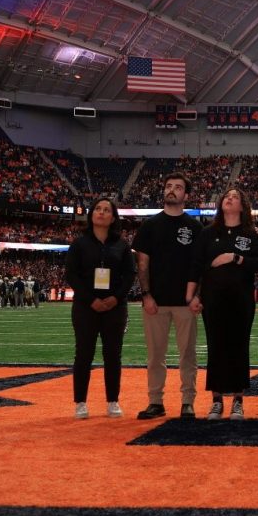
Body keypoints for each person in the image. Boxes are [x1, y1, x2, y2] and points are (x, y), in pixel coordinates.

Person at [192, 188, 258, 421]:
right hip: (213, 299)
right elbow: (197, 267)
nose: (230, 198)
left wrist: (235, 257)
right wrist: (195, 295)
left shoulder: (252, 234)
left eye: (235, 197)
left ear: (242, 206)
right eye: (226, 196)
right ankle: (216, 401)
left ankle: (237, 400)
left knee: (239, 347)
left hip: (241, 299)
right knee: (216, 347)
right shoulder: (207, 233)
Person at [132, 172, 203, 420]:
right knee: (155, 356)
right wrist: (146, 295)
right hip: (156, 302)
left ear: (186, 195)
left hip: (185, 302)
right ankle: (155, 401)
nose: (172, 190)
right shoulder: (150, 225)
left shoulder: (195, 227)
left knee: (188, 355)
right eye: (168, 186)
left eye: (178, 187)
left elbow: (199, 265)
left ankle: (187, 401)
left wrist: (196, 296)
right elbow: (142, 263)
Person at [64, 197, 136, 420]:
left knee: (113, 354)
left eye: (106, 210)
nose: (101, 213)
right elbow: (72, 275)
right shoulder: (79, 244)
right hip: (86, 306)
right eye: (98, 209)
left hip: (115, 307)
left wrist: (116, 298)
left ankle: (113, 400)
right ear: (91, 214)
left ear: (113, 217)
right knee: (83, 353)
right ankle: (80, 402)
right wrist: (90, 299)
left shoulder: (122, 245)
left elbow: (129, 275)